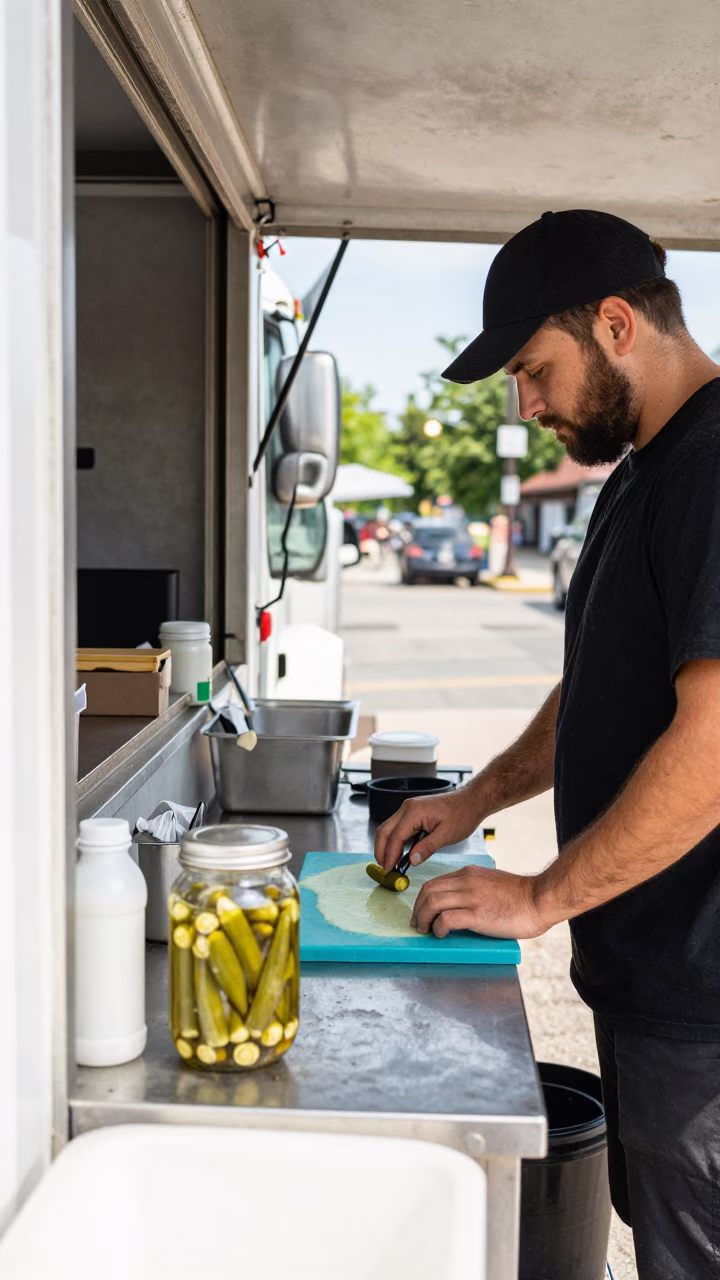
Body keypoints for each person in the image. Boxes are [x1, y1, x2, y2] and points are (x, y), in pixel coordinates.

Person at [374, 210, 720, 1280]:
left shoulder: (713, 469)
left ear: (617, 324)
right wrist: (474, 799)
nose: (525, 404)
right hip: (652, 989)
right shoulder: (642, 474)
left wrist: (540, 895)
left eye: (535, 368)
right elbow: (600, 690)